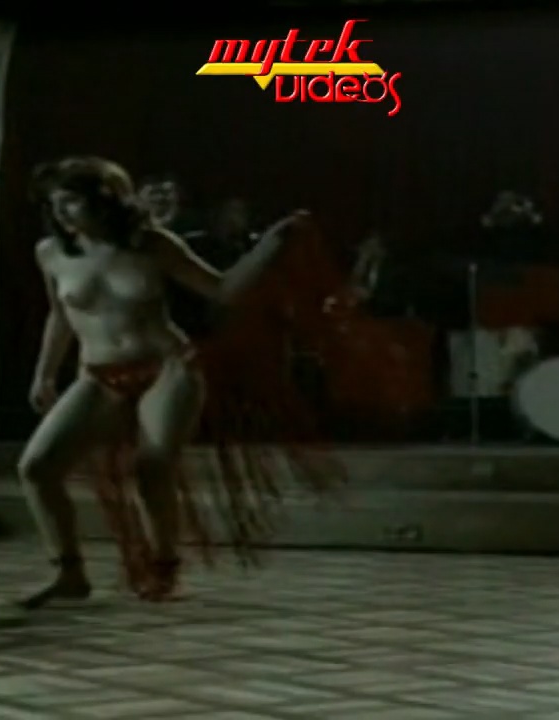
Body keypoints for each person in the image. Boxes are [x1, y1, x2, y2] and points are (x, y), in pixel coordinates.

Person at [19, 156, 351, 608]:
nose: (61, 212)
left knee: (152, 464)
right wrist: (44, 374)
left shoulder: (154, 245)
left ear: (103, 201)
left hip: (167, 367)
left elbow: (222, 289)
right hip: (97, 373)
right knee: (36, 467)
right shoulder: (51, 253)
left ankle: (163, 565)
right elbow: (59, 317)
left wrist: (269, 245)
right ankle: (69, 573)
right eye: (54, 204)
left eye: (71, 201)